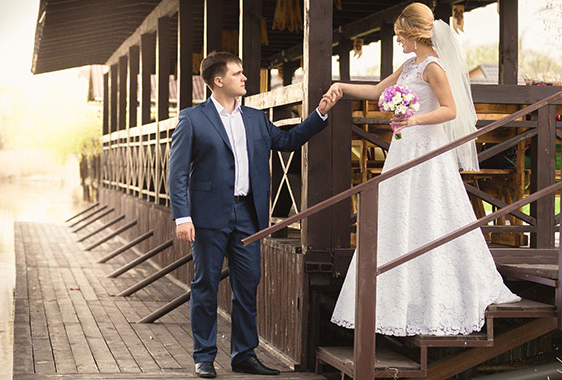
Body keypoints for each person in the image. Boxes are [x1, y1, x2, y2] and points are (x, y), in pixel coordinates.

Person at [325, 3, 520, 337]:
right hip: (404, 149)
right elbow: (375, 91)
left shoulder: (433, 67)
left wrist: (413, 118)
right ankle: (400, 296)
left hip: (426, 151)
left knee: (431, 214)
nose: (398, 42)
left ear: (414, 34)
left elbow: (449, 110)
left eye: (400, 36)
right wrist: (340, 88)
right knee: (399, 217)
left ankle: (438, 295)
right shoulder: (408, 65)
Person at [168, 51, 337, 378]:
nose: (245, 78)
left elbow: (288, 141)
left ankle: (244, 354)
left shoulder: (256, 119)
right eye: (238, 73)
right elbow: (176, 173)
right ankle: (204, 356)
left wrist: (320, 114)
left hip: (248, 214)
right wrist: (182, 217)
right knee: (205, 285)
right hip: (207, 216)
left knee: (248, 285)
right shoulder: (192, 118)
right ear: (218, 81)